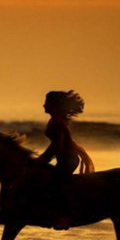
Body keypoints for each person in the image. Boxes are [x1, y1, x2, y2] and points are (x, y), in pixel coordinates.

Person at [38, 90, 95, 229]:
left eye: (47, 103)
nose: (43, 105)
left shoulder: (57, 122)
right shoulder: (55, 119)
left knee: (53, 185)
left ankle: (64, 218)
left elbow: (57, 145)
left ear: (54, 105)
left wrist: (42, 159)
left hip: (68, 160)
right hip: (65, 158)